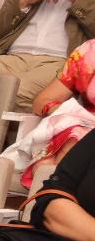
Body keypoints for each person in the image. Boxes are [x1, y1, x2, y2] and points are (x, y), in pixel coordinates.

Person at [13, 39, 95, 187]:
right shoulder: (89, 52)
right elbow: (42, 101)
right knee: (45, 165)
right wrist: (70, 114)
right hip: (82, 129)